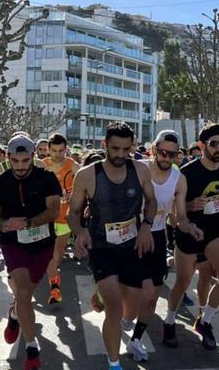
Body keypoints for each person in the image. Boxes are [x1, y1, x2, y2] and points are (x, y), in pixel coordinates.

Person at [69, 123, 158, 370]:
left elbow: (152, 202)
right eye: (115, 148)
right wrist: (80, 232)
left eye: (126, 149)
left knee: (132, 306)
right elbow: (73, 214)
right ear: (104, 145)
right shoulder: (87, 175)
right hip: (102, 247)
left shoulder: (140, 170)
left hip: (132, 246)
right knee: (115, 309)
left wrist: (146, 227)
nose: (120, 155)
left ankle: (102, 295)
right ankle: (114, 363)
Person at [163, 124, 219, 350]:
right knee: (183, 281)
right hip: (189, 231)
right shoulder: (188, 172)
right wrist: (191, 206)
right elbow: (175, 210)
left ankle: (205, 321)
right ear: (202, 146)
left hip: (215, 231)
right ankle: (169, 321)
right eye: (214, 144)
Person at [0, 135, 61, 370]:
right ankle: (31, 348)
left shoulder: (47, 179)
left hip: (43, 244)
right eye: (15, 161)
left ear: (33, 158)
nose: (20, 166)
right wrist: (7, 224)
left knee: (26, 293)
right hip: (13, 245)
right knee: (23, 292)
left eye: (25, 161)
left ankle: (15, 315)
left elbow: (53, 211)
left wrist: (28, 223)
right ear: (8, 158)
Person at [121, 130, 187, 362]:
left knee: (151, 296)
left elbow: (179, 216)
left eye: (172, 154)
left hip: (157, 238)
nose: (167, 158)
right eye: (162, 152)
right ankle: (124, 317)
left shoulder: (179, 178)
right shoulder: (138, 169)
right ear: (153, 150)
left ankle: (136, 339)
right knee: (132, 296)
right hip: (131, 236)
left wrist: (190, 228)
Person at [42, 133, 76, 305]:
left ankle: (54, 277)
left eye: (61, 150)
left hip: (64, 218)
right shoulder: (42, 165)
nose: (58, 154)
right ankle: (54, 288)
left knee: (57, 256)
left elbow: (84, 186)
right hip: (45, 218)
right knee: (50, 256)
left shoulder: (73, 165)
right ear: (48, 149)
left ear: (66, 149)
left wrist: (74, 196)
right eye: (54, 150)